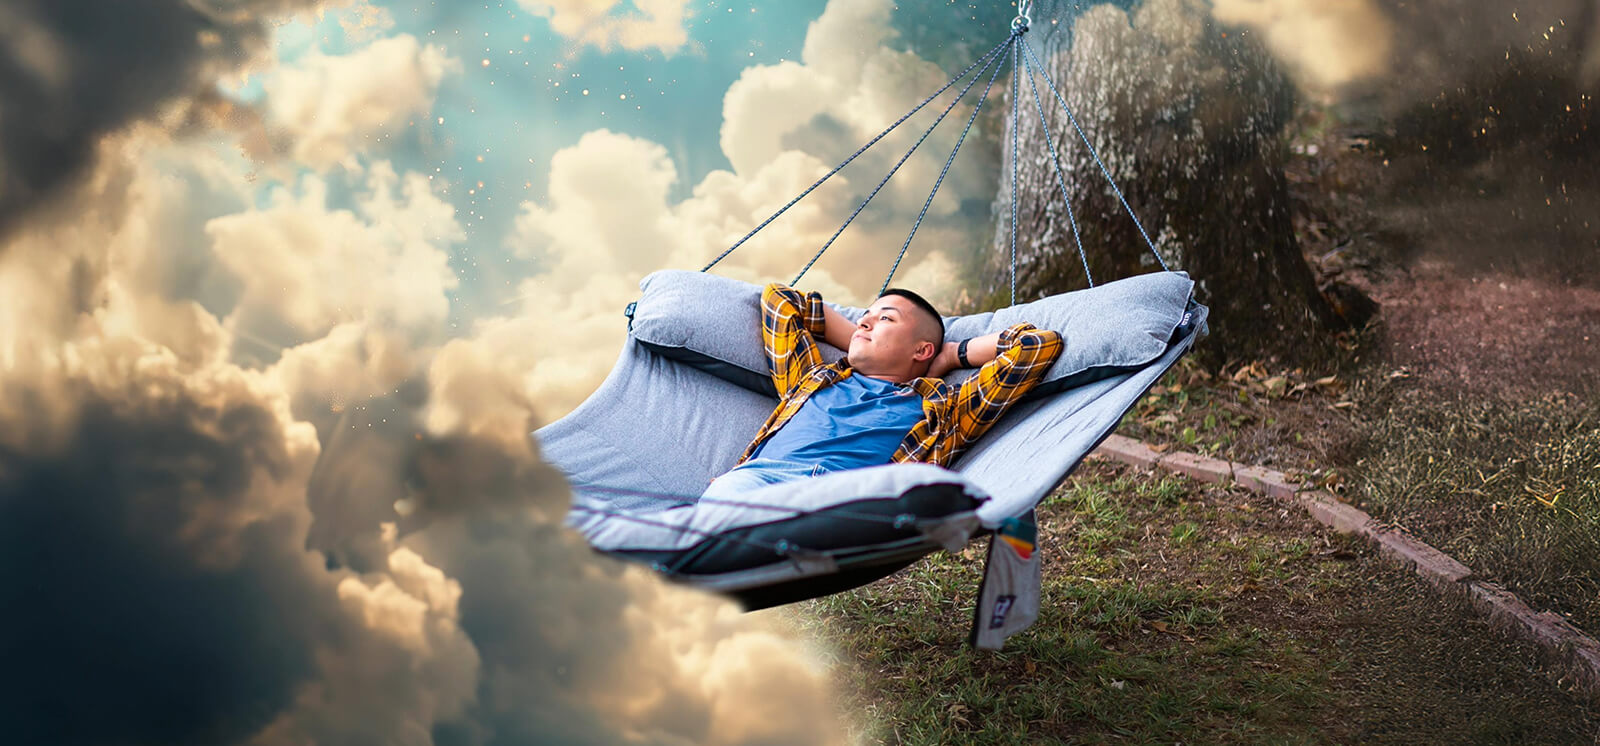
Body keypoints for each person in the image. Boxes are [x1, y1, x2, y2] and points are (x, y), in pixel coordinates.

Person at [702, 282, 1064, 498]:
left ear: (921, 349)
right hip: (759, 482)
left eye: (886, 318)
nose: (865, 320)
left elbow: (1036, 347)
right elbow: (780, 300)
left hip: (841, 503)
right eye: (866, 316)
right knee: (724, 498)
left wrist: (951, 355)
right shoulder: (811, 378)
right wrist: (863, 339)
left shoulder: (943, 412)